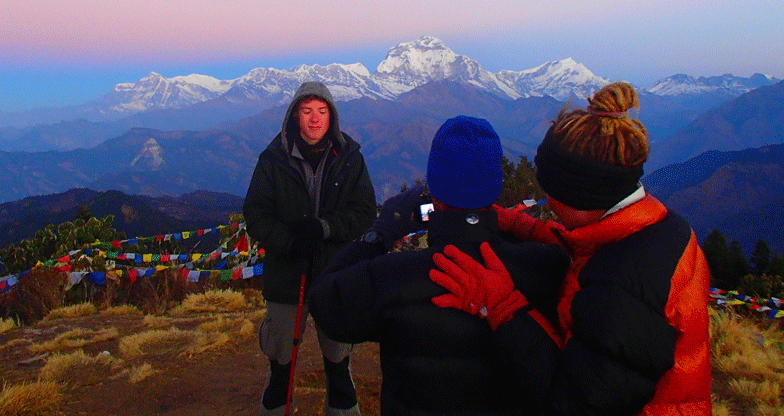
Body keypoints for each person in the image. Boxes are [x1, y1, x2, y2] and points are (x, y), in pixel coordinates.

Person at [428, 83, 712, 415]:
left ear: (581, 197)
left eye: (552, 192)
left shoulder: (622, 289)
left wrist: (502, 306)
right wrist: (516, 223)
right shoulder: (655, 227)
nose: (547, 202)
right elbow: (586, 248)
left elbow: (575, 404)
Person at [308, 116, 570, 415]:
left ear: (434, 191)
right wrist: (521, 226)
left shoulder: (393, 275)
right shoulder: (547, 267)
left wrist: (380, 233)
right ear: (495, 188)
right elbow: (576, 250)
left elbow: (324, 302)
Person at [243, 81, 377, 416]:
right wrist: (288, 242)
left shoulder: (350, 159)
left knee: (339, 365)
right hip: (287, 279)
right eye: (307, 112)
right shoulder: (272, 160)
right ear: (294, 116)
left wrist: (325, 227)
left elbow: (364, 211)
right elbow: (256, 214)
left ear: (332, 117)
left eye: (321, 111)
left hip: (336, 275)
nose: (315, 119)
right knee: (280, 370)